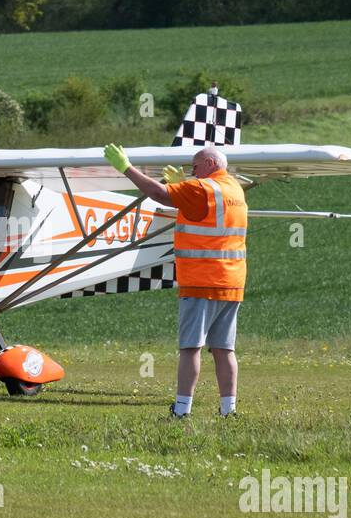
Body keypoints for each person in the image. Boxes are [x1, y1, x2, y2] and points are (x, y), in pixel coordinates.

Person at [104, 142, 247, 418]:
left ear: (210, 164)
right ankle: (229, 410)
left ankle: (182, 409)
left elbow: (158, 193)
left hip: (200, 280)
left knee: (190, 348)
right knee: (224, 349)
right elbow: (203, 210)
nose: (191, 171)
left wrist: (126, 168)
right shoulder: (234, 189)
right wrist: (184, 186)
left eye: (195, 166)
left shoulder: (201, 188)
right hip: (231, 281)